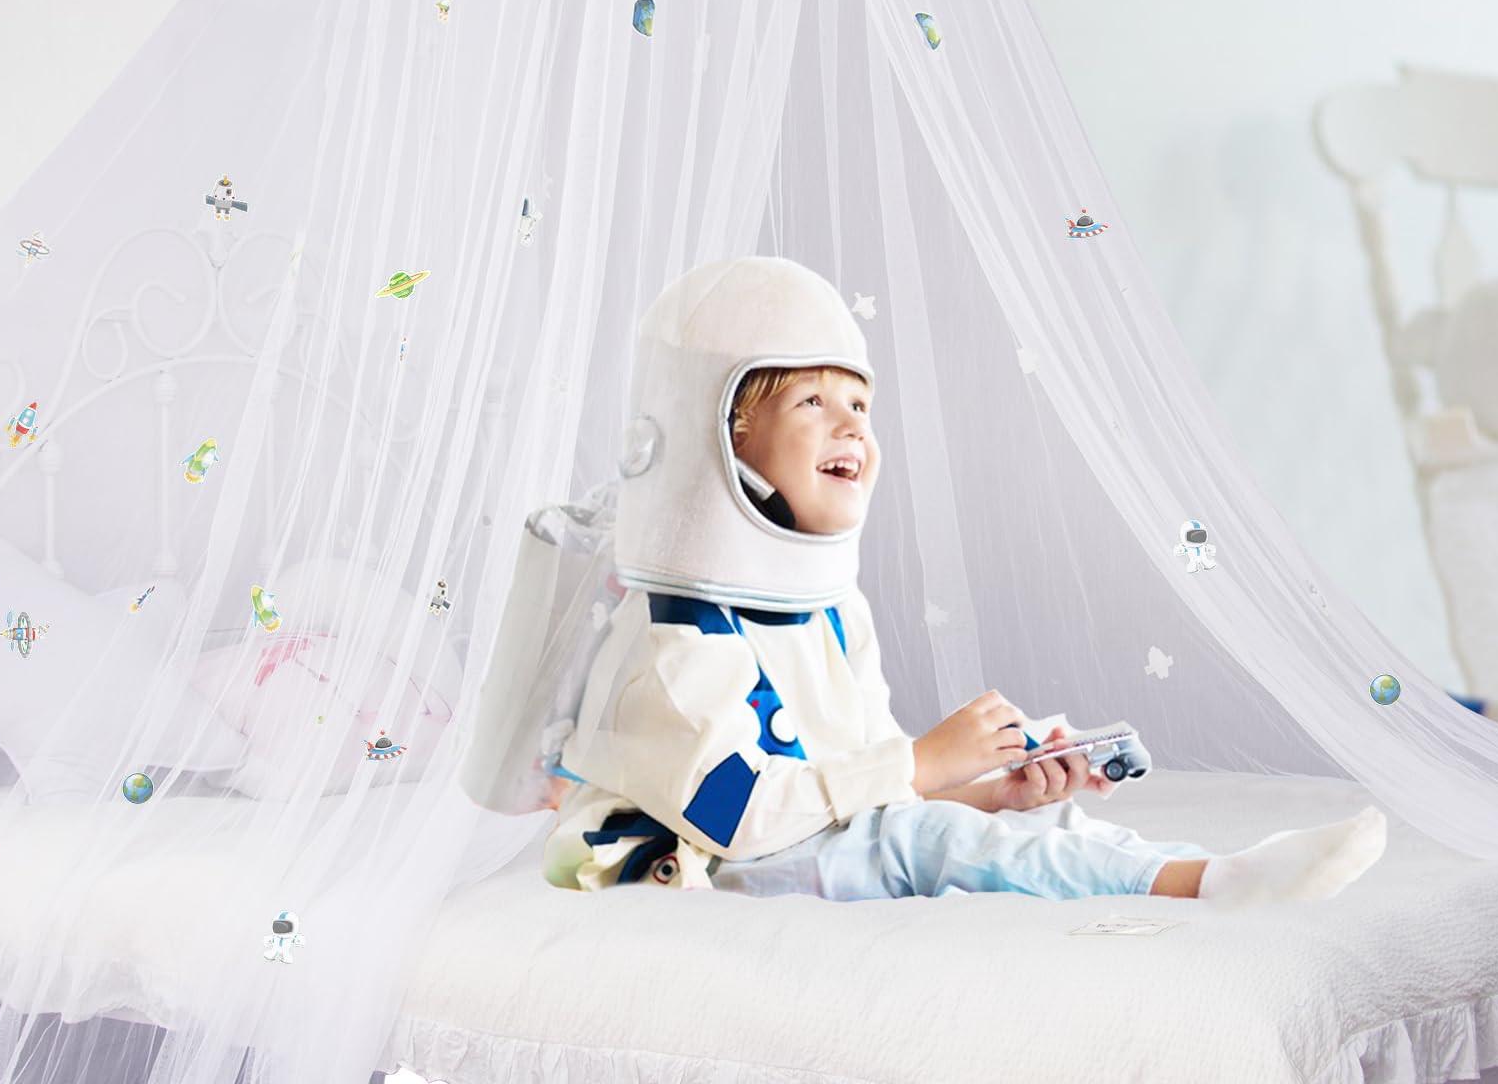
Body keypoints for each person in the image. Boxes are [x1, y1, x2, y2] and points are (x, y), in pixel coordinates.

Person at [542, 256, 1387, 906]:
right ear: (722, 439)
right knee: (925, 843)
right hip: (663, 857)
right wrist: (920, 768)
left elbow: (853, 785)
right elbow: (744, 819)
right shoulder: (676, 638)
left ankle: (1194, 871)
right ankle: (1210, 885)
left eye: (861, 406)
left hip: (781, 834)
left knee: (977, 828)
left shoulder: (827, 609)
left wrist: (987, 789)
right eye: (810, 403)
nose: (851, 426)